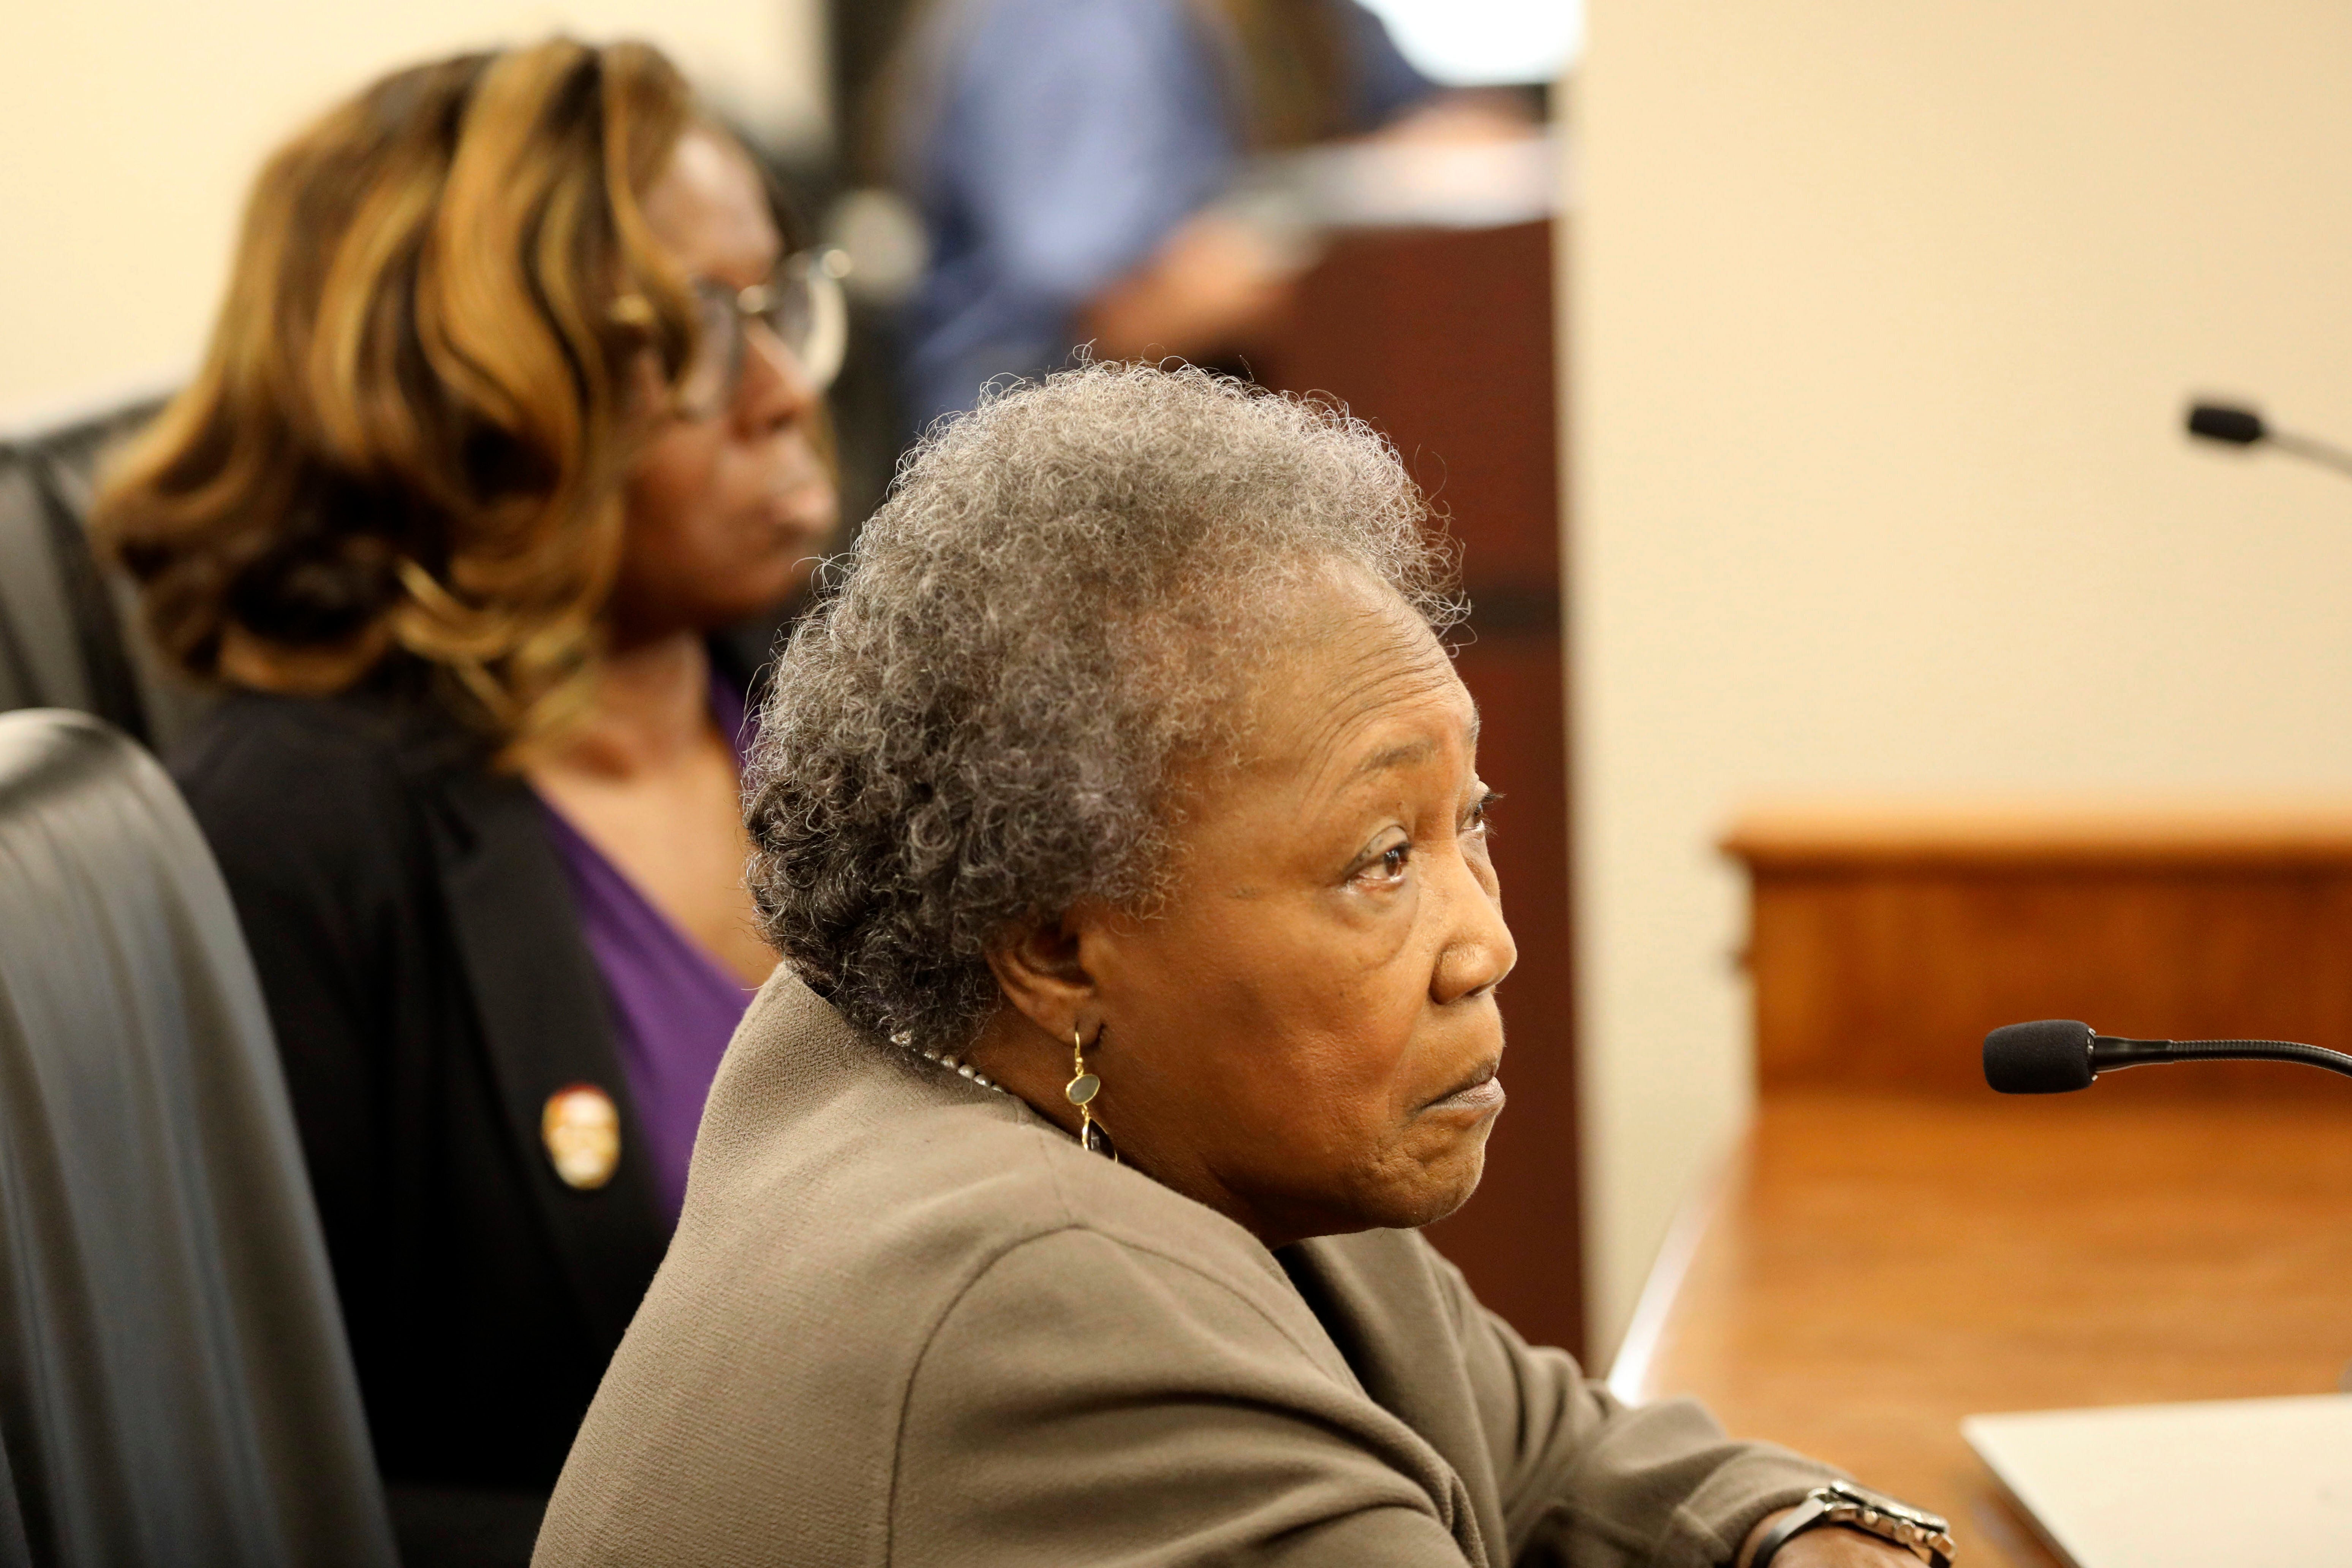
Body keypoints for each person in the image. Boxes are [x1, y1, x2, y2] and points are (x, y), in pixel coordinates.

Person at [534, 365, 1951, 1567]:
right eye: (1379, 860)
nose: (1486, 941)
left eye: (1469, 824)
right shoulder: (1045, 1298)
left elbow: (1538, 1443)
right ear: (1052, 944)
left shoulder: (1137, 1101)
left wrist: (1795, 1526)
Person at [92, 38, 839, 1563]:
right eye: (693, 333)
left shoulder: (833, 709)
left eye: (777, 309)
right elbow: (256, 1497)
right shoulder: (289, 836)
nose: (778, 394)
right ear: (460, 389)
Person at [889, 0, 1525, 426]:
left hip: (1215, 424)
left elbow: (1470, 130)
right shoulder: (1074, 21)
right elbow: (1128, 317)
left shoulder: (1298, 17)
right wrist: (1328, 238)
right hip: (1045, 466)